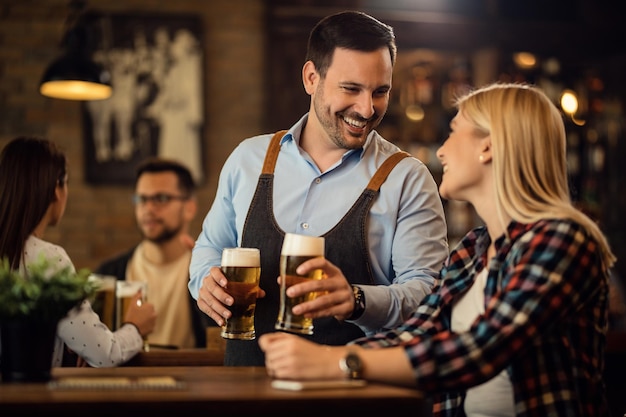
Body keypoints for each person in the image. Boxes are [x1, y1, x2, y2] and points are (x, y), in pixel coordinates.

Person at [258, 83, 617, 417]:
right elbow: (418, 334)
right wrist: (317, 358)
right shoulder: (475, 249)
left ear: (487, 146)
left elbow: (482, 349)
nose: (442, 150)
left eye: (453, 131)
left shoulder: (563, 240)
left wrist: (334, 364)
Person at [189, 10, 449, 366]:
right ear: (312, 78)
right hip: (246, 390)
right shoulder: (248, 159)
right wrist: (205, 280)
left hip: (352, 398)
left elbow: (429, 295)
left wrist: (357, 300)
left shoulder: (408, 179)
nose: (367, 108)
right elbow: (210, 247)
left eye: (380, 91)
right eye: (351, 89)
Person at [0, 136, 157, 367]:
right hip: (31, 400)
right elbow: (105, 353)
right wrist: (135, 326)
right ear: (56, 189)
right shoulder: (49, 259)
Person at [97, 157, 211, 349]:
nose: (148, 208)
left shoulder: (206, 273)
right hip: (126, 378)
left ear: (189, 208)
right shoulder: (109, 273)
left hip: (190, 376)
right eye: (142, 199)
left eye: (161, 198)